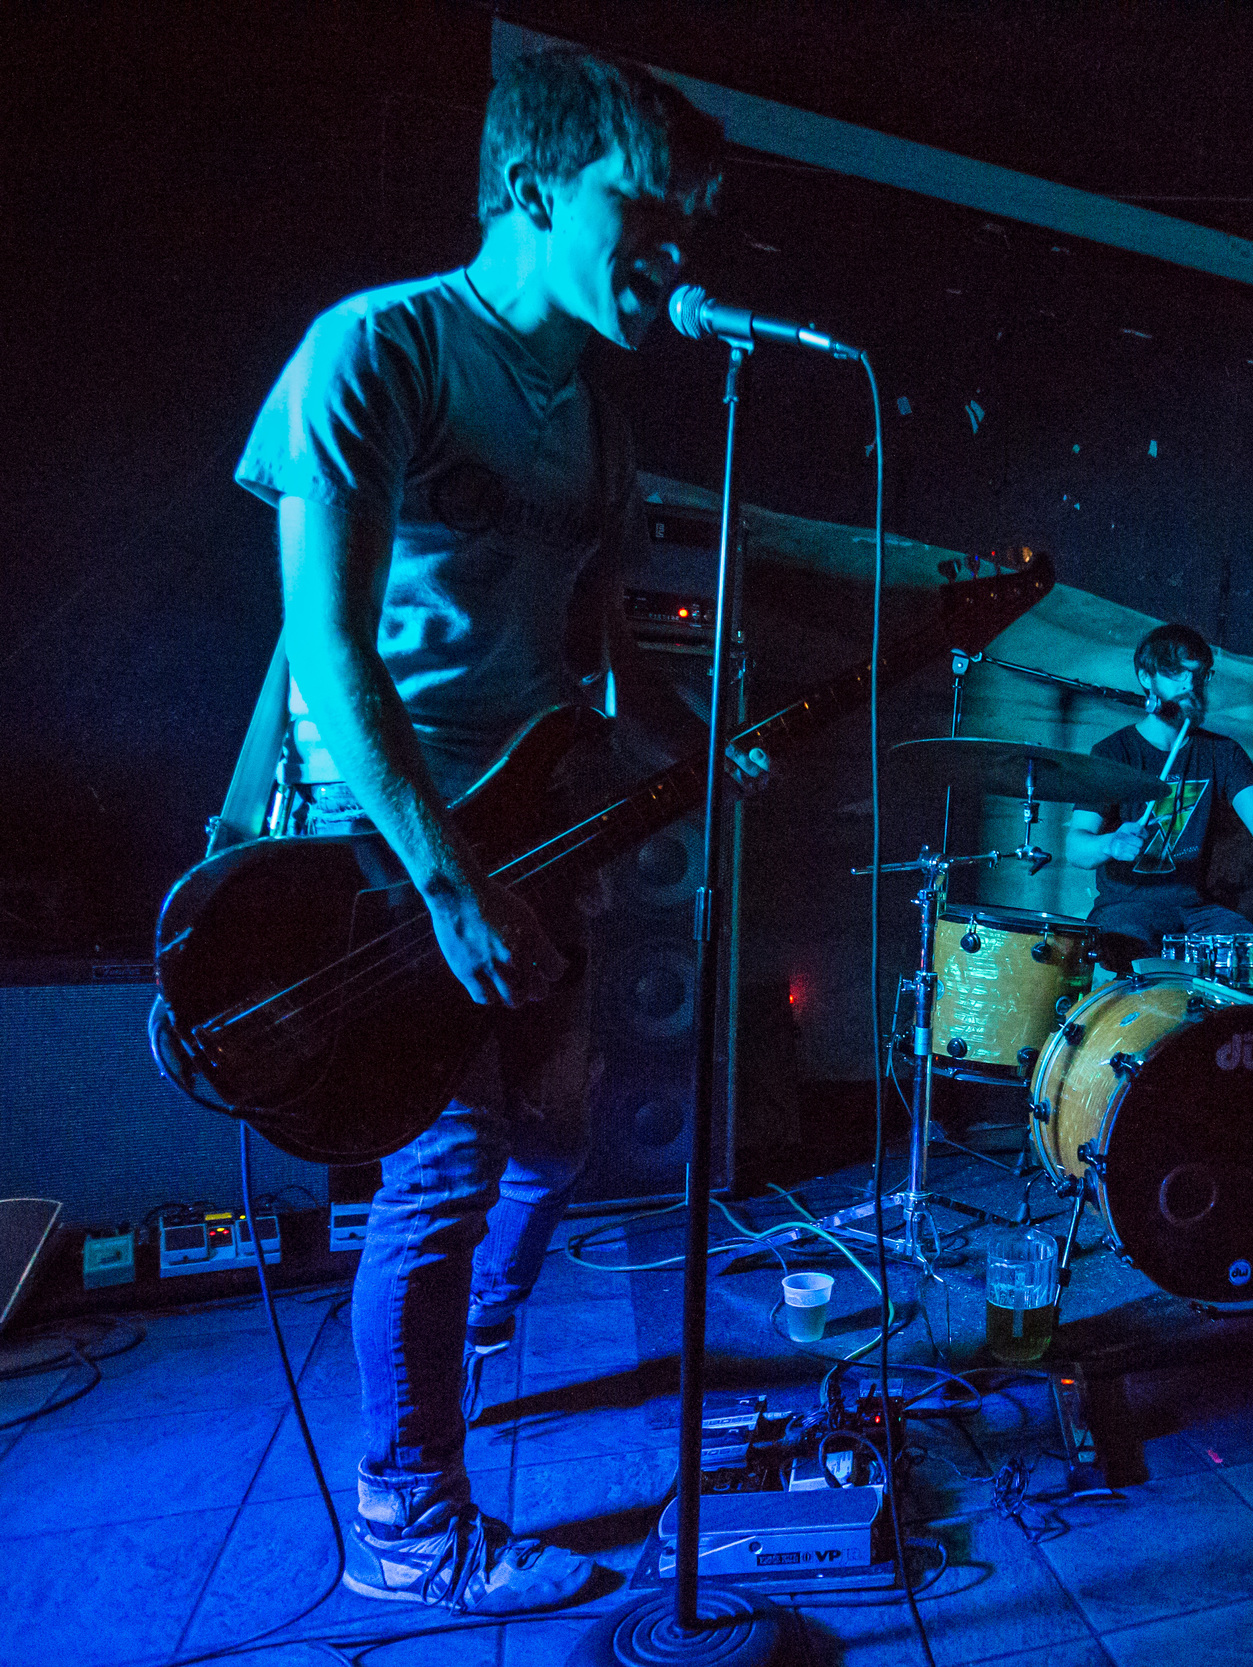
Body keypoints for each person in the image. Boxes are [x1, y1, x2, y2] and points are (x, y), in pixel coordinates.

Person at [235, 50, 761, 1614]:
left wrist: (695, 742)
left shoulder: (597, 425)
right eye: (647, 208)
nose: (675, 249)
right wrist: (443, 876)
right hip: (378, 839)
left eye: (692, 221)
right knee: (448, 1158)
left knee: (555, 1122)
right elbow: (327, 650)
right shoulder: (377, 349)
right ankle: (405, 1513)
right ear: (533, 187)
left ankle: (456, 1331)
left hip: (532, 831)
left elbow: (604, 652)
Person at [1065, 623, 1253, 972]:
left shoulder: (1223, 753)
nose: (1189, 685)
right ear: (1147, 678)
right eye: (1175, 674)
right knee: (1136, 958)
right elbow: (1075, 848)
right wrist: (1111, 844)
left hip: (1195, 910)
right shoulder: (1113, 753)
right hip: (1126, 908)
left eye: (1198, 675)